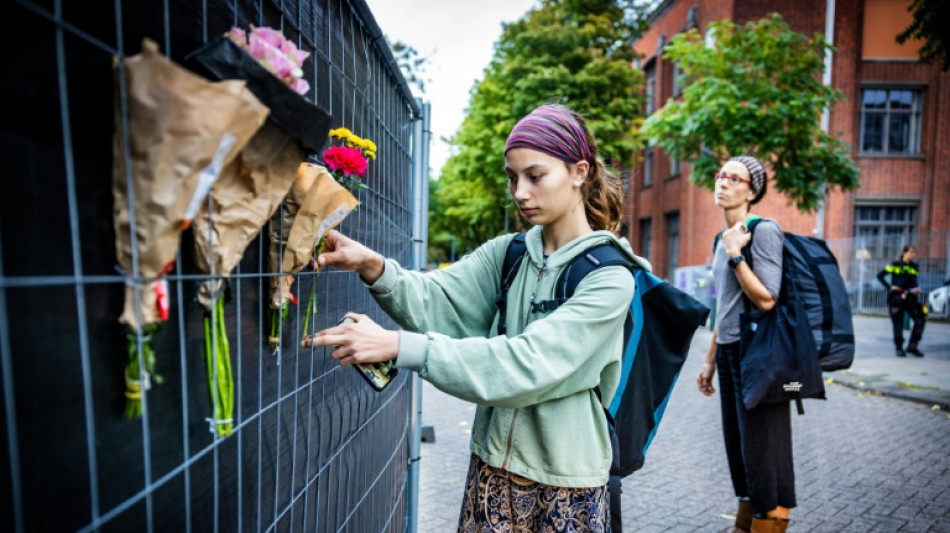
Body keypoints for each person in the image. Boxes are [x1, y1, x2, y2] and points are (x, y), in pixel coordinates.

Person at [301, 104, 646, 531]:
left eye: (535, 176)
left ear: (579, 172)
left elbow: (529, 363)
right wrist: (372, 265)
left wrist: (399, 346)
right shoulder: (511, 252)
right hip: (491, 469)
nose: (520, 192)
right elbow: (438, 299)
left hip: (567, 485)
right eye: (512, 177)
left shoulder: (610, 277)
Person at [696, 156, 794, 533]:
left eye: (733, 178)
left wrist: (738, 254)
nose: (722, 182)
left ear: (752, 190)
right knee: (738, 447)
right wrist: (709, 362)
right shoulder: (719, 239)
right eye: (719, 175)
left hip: (760, 356)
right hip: (731, 352)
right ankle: (743, 524)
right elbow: (725, 305)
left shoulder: (764, 231)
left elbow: (767, 298)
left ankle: (770, 523)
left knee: (762, 448)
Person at [877, 245, 926, 357]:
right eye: (911, 252)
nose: (913, 255)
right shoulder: (895, 265)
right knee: (898, 323)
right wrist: (890, 287)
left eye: (914, 252)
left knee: (920, 319)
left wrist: (916, 290)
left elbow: (913, 282)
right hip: (897, 297)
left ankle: (912, 345)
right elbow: (880, 276)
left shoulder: (914, 267)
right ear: (904, 253)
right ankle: (899, 348)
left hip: (911, 298)